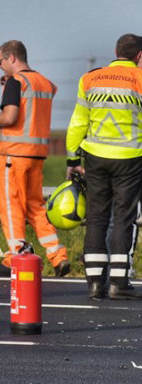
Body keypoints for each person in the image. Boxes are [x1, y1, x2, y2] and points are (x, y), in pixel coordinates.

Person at [0, 40, 70, 277]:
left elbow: (9, 117)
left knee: (11, 208)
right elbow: (52, 88)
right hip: (37, 156)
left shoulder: (16, 82)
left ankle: (16, 258)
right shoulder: (42, 82)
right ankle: (57, 255)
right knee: (36, 207)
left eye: (0, 61)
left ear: (11, 58)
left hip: (14, 155)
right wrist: (12, 85)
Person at [66, 33, 142, 300]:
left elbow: (78, 122)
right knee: (123, 218)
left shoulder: (90, 79)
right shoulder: (140, 80)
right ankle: (118, 283)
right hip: (130, 158)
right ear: (139, 56)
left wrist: (72, 159)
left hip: (95, 157)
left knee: (96, 217)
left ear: (116, 51)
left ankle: (95, 282)